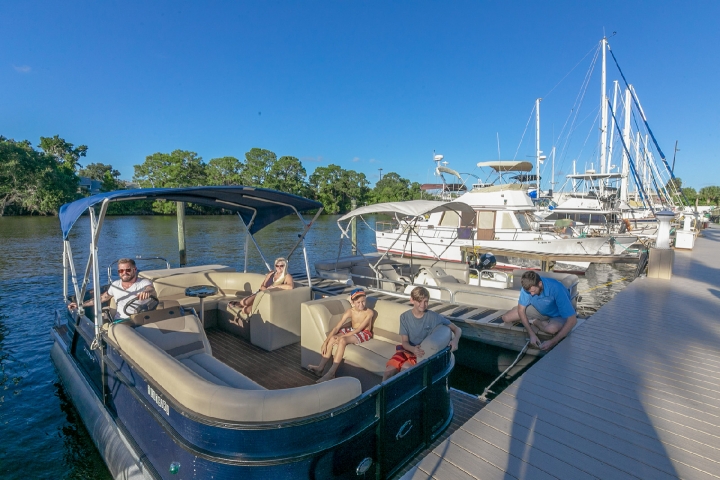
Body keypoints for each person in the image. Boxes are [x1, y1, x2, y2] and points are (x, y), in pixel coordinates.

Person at [382, 286, 461, 381]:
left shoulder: (434, 317)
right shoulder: (404, 317)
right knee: (388, 372)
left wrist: (455, 340)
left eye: (426, 301)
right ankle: (383, 395)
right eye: (419, 301)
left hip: (420, 353)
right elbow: (405, 342)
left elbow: (457, 329)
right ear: (412, 300)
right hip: (407, 350)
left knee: (404, 371)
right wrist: (412, 349)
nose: (423, 305)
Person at [307, 288, 377, 383]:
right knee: (332, 338)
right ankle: (320, 368)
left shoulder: (369, 312)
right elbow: (336, 328)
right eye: (358, 302)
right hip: (352, 330)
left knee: (342, 341)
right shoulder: (350, 311)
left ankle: (331, 373)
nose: (361, 304)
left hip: (364, 333)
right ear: (352, 302)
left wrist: (342, 337)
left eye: (363, 301)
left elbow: (359, 329)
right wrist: (325, 342)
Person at [501, 270, 577, 351]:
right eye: (529, 292)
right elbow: (521, 310)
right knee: (506, 318)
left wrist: (552, 342)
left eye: (533, 291)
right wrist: (531, 334)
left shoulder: (557, 288)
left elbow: (573, 320)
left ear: (540, 284)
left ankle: (535, 321)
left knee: (551, 330)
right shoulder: (527, 288)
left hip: (557, 315)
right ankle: (532, 320)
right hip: (538, 310)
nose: (532, 294)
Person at [68, 258, 156, 320]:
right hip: (122, 321)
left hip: (142, 319)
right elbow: (102, 298)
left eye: (128, 270)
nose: (124, 273)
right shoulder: (115, 285)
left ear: (134, 270)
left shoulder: (143, 282)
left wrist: (146, 292)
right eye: (121, 271)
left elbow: (150, 289)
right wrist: (80, 305)